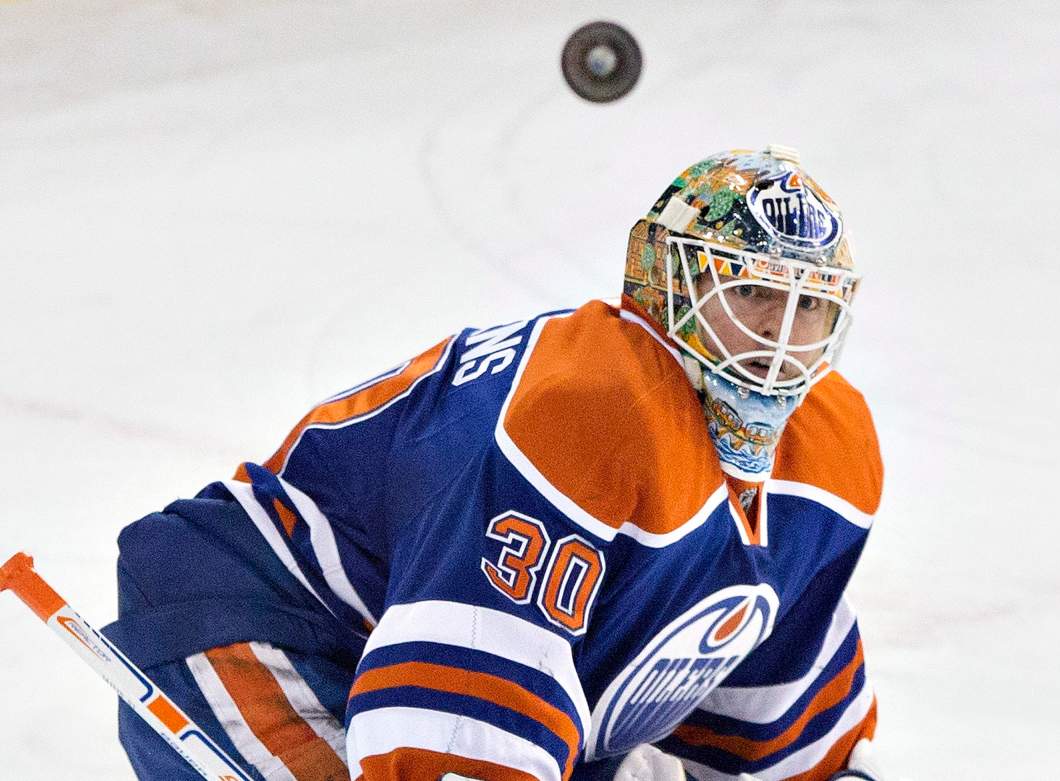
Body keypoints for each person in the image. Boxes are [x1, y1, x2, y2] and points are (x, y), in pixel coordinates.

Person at [106, 145, 886, 781]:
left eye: (809, 305)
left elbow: (777, 714)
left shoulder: (832, 449)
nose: (779, 335)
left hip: (488, 692)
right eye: (752, 292)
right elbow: (457, 733)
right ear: (669, 285)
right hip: (264, 629)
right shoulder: (594, 404)